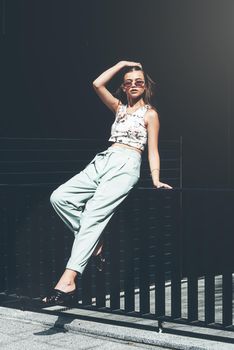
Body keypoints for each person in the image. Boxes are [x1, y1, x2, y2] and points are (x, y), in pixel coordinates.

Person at [42, 60, 173, 305]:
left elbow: (152, 150)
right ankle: (96, 244)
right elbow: (97, 83)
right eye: (129, 82)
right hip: (104, 159)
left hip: (127, 163)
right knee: (60, 197)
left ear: (145, 87)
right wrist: (123, 63)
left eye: (139, 82)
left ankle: (68, 280)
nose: (134, 85)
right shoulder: (119, 108)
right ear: (123, 87)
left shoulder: (150, 114)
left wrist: (155, 178)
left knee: (92, 213)